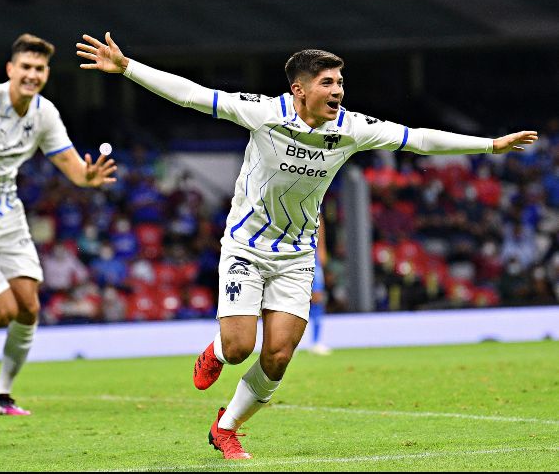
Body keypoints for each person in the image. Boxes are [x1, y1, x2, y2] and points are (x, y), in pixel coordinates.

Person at [76, 32, 538, 459]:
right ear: (300, 89)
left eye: (340, 82)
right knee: (239, 348)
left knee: (277, 356)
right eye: (328, 83)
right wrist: (128, 68)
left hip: (296, 254)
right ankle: (215, 353)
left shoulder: (352, 128)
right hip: (245, 247)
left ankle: (227, 427)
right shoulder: (263, 112)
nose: (338, 91)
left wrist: (490, 145)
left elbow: (416, 139)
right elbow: (194, 95)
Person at [0, 34, 117, 416]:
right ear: (11, 70)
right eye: (26, 67)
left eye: (39, 68)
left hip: (7, 213)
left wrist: (88, 177)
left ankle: (2, 394)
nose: (32, 74)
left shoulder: (44, 114)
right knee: (1, 314)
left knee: (28, 307)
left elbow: (70, 165)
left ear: (46, 73)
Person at [308, 220, 331, 355]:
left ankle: (316, 341)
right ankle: (287, 341)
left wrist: (321, 247)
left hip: (311, 252)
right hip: (289, 250)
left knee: (317, 296)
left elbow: (319, 219)